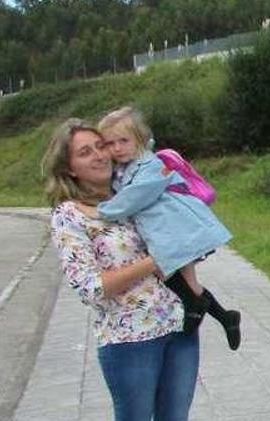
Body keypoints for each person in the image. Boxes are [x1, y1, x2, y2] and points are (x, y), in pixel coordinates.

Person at [43, 119, 211, 421]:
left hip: (177, 328)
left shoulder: (132, 195)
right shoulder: (69, 216)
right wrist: (156, 260)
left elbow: (179, 235)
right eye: (85, 152)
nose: (99, 155)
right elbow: (91, 286)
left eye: (100, 146)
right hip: (127, 341)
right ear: (69, 168)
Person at [94, 106, 241, 350]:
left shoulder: (151, 166)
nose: (117, 148)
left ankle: (197, 315)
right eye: (110, 143)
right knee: (174, 278)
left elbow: (134, 197)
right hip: (164, 231)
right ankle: (225, 317)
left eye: (123, 141)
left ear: (139, 139)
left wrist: (102, 211)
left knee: (178, 279)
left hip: (176, 228)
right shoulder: (126, 167)